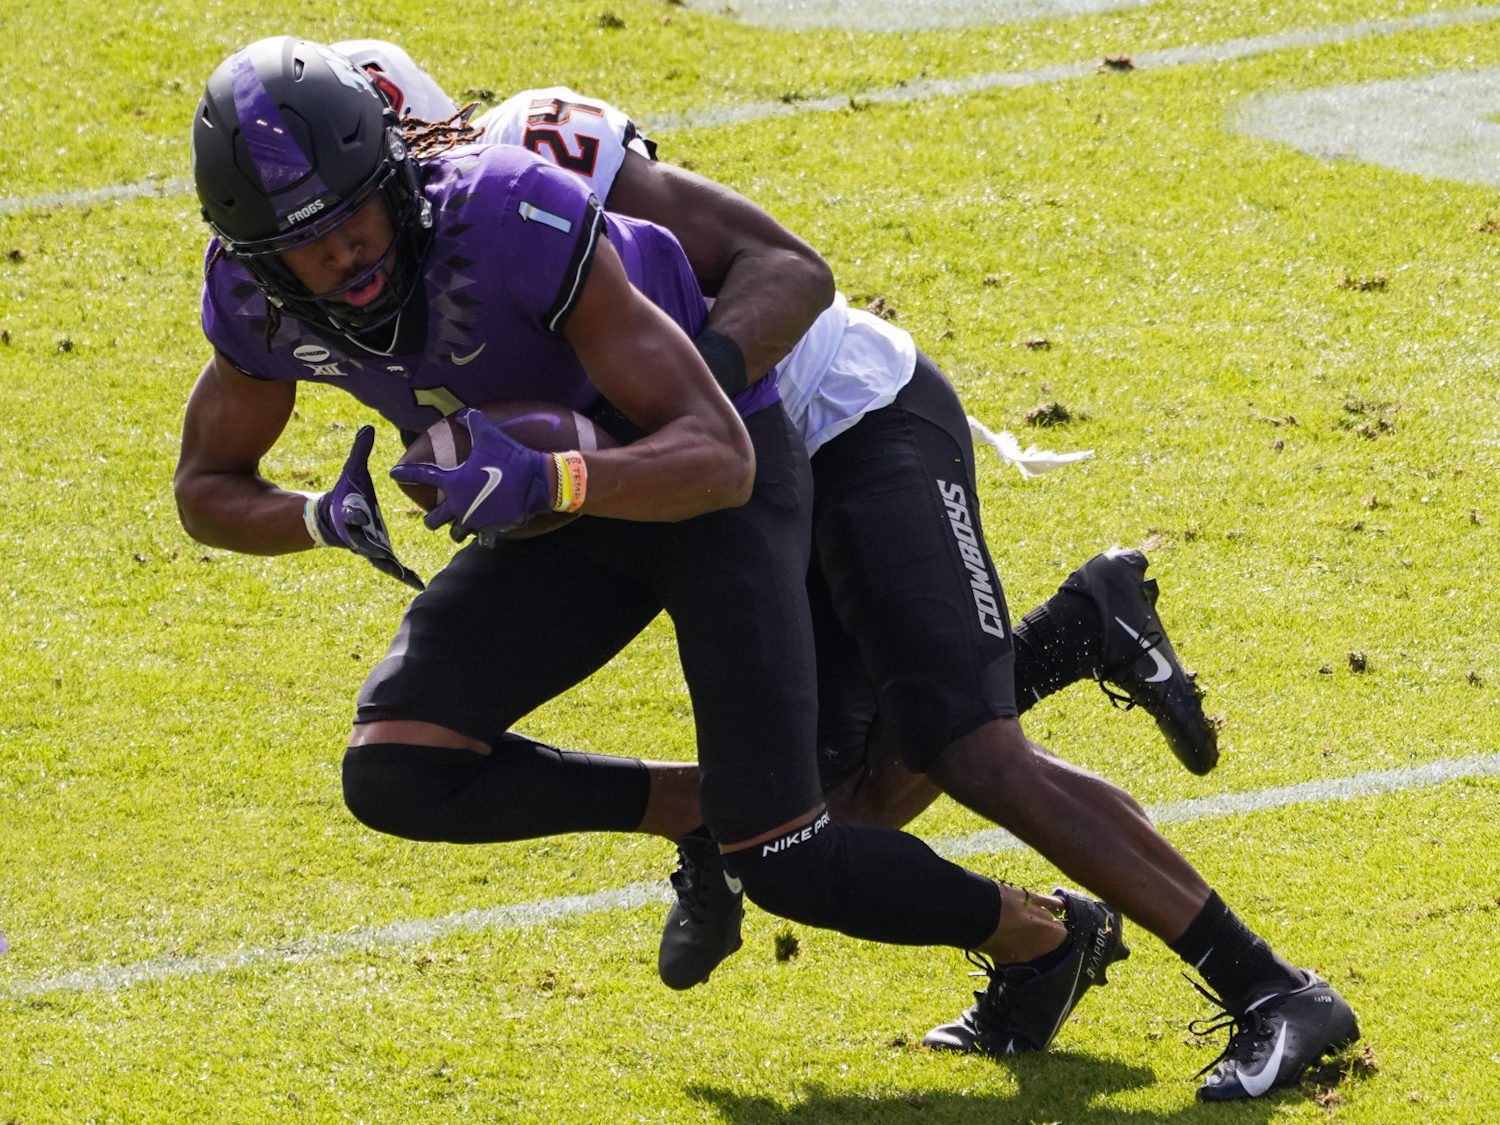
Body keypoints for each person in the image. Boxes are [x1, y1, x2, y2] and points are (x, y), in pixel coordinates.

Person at [324, 43, 1359, 1101]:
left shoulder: (528, 173)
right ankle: (1053, 863)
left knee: (969, 751)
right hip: (714, 497)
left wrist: (688, 406)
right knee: (811, 826)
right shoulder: (346, 287)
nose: (334, 248)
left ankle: (1274, 989)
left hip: (846, 422)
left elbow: (788, 273)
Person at [177, 32, 1122, 1068]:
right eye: (304, 244)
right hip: (580, 506)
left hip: (743, 458)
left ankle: (1057, 925)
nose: (343, 258)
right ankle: (698, 805)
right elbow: (206, 485)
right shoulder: (262, 298)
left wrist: (572, 466)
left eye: (356, 214)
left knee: (805, 838)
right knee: (397, 767)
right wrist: (318, 512)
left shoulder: (516, 198)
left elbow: (761, 342)